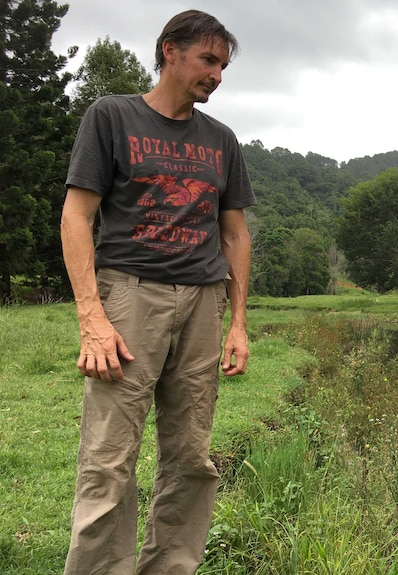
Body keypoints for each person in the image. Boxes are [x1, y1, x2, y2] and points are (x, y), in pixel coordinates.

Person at [60, 10, 255, 574]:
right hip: (129, 297)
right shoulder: (112, 115)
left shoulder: (221, 140)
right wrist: (91, 315)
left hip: (203, 302)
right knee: (109, 456)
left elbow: (235, 234)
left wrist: (238, 323)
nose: (217, 75)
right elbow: (77, 216)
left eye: (223, 66)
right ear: (170, 51)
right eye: (208, 60)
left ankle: (170, 567)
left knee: (190, 456)